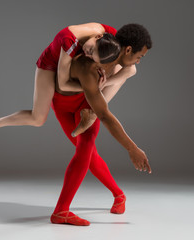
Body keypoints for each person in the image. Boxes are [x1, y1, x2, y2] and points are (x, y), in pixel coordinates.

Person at [49, 23, 152, 226]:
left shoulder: (117, 65)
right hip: (60, 101)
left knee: (85, 149)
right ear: (128, 49)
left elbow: (103, 114)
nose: (139, 61)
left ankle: (61, 210)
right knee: (89, 155)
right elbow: (86, 32)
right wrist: (132, 149)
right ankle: (119, 194)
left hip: (86, 104)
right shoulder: (100, 48)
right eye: (139, 56)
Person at [0, 23, 135, 135]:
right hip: (51, 64)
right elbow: (63, 83)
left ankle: (92, 114)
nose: (87, 54)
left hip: (73, 63)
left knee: (123, 69)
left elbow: (132, 69)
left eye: (92, 56)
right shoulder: (70, 40)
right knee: (37, 119)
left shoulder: (111, 40)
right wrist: (93, 88)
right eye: (90, 50)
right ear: (99, 37)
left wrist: (105, 83)